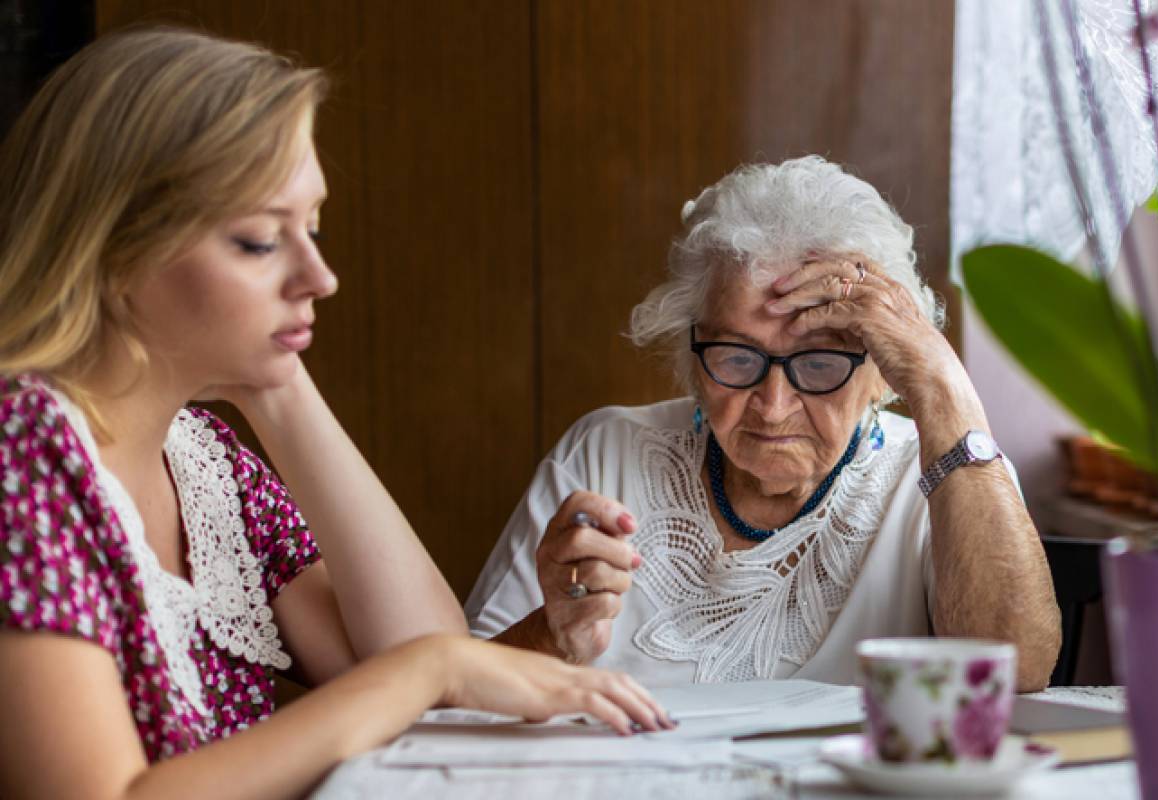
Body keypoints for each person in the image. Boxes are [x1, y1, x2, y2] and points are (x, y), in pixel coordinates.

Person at [0, 28, 666, 800]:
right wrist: (433, 669)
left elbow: (408, 662)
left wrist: (278, 386)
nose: (320, 276)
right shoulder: (23, 451)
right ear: (112, 249)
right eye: (258, 240)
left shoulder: (202, 459)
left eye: (311, 228)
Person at [466, 156, 1061, 690]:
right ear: (693, 361)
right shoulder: (606, 453)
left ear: (882, 375)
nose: (773, 406)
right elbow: (458, 690)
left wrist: (941, 386)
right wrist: (555, 635)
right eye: (737, 357)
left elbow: (1016, 673)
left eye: (821, 362)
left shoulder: (944, 472)